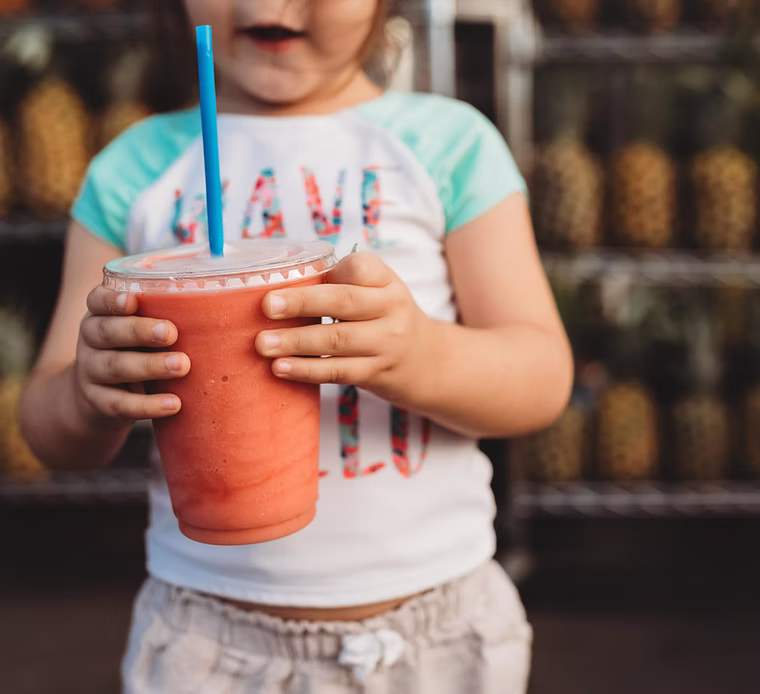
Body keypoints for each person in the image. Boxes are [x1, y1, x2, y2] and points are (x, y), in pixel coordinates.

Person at [19, 1, 573, 692]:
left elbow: (542, 378)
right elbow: (48, 428)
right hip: (208, 643)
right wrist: (87, 393)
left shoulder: (449, 145)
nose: (267, 3)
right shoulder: (135, 170)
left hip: (434, 636)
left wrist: (419, 358)